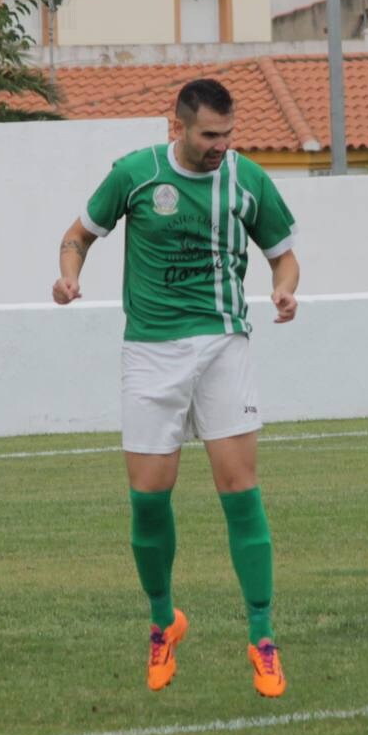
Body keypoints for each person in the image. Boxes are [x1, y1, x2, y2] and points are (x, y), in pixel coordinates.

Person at [52, 78, 299, 698]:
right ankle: (165, 622)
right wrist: (67, 277)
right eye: (210, 135)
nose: (222, 146)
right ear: (178, 128)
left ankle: (263, 638)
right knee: (148, 501)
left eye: (228, 134)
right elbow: (77, 235)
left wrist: (287, 288)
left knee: (240, 490)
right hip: (150, 351)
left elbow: (283, 253)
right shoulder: (136, 175)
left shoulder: (248, 181)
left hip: (222, 343)